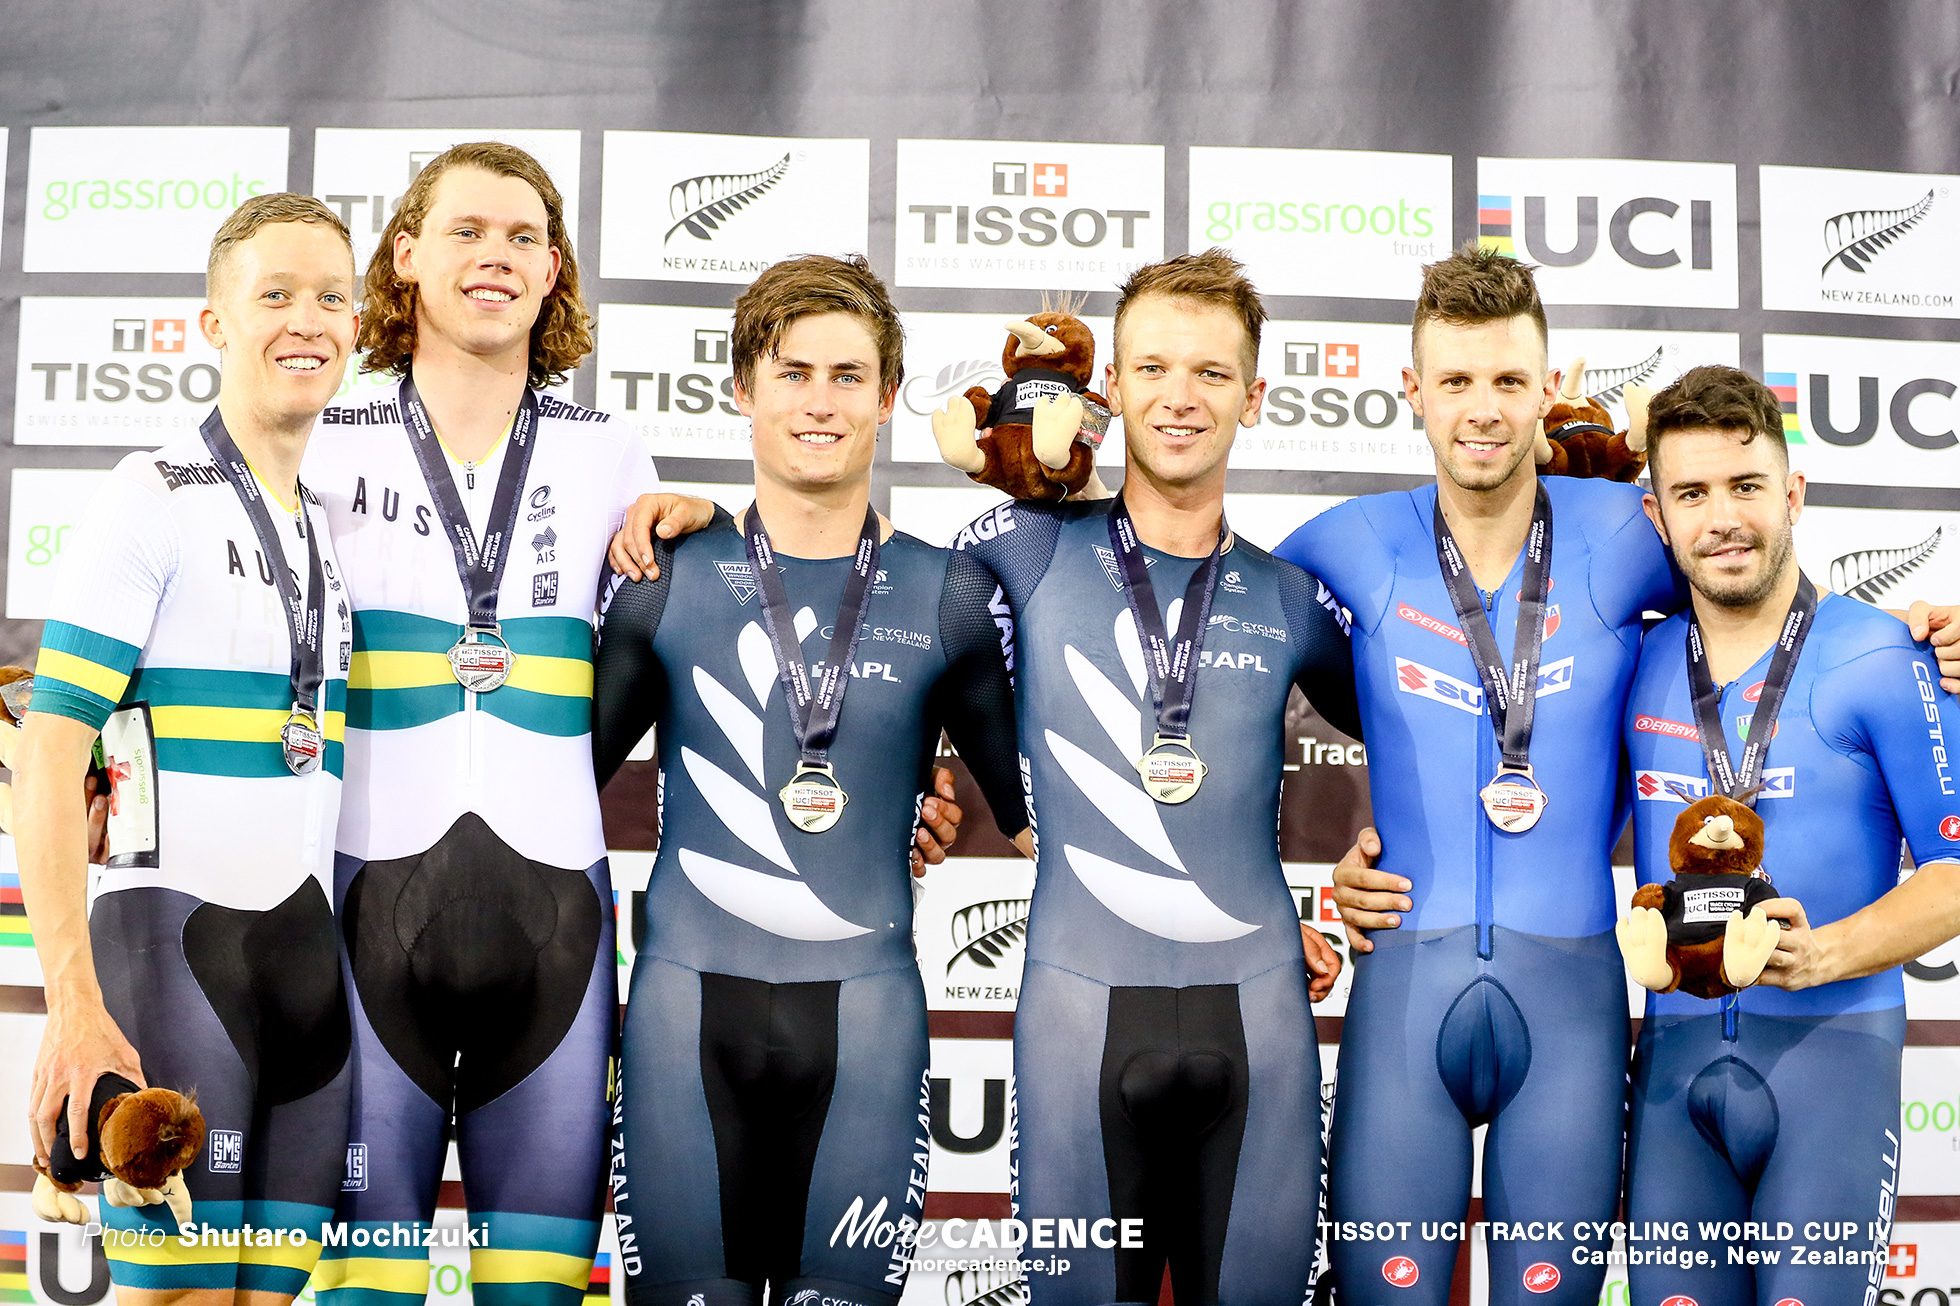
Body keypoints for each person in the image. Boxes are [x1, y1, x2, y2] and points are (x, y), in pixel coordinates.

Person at [301, 142, 710, 1306]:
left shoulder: (612, 452)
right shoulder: (325, 440)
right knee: (361, 1294)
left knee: (534, 1295)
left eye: (525, 236)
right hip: (365, 918)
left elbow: (734, 637)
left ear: (554, 272)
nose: (497, 255)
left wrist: (710, 521)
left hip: (557, 934)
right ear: (407, 256)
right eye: (468, 230)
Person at [591, 252, 1032, 1306]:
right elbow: (543, 786)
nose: (819, 402)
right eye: (792, 373)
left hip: (869, 1022)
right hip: (682, 1021)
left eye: (847, 375)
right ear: (742, 389)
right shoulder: (665, 580)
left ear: (888, 397)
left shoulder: (951, 593)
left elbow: (1038, 825)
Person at [945, 250, 1356, 1305]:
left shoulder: (1293, 597)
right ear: (1110, 388)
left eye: (1213, 374)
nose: (1180, 398)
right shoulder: (1018, 550)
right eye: (1155, 369)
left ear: (1254, 398)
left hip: (1258, 1014)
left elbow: (1429, 747)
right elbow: (878, 637)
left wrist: (1367, 865)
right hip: (1079, 1018)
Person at [1276, 244, 1680, 1303]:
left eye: (1508, 380)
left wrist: (1926, 629)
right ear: (1412, 390)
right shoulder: (1345, 541)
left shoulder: (1628, 535)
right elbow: (1181, 650)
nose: (1483, 409)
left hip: (1575, 999)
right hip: (1406, 984)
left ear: (1549, 389)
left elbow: (1774, 599)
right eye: (1454, 380)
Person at [19, 192, 361, 1304]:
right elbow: (50, 750)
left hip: (309, 978)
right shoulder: (148, 497)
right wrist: (72, 1001)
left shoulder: (329, 533)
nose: (306, 320)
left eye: (330, 297)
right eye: (274, 295)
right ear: (213, 324)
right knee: (176, 1299)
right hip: (168, 961)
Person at [1618, 364, 1960, 1305]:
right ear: (1657, 516)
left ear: (1794, 493)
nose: (1721, 517)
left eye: (1746, 485)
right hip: (1674, 1073)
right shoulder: (1636, 660)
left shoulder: (1888, 657)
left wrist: (1829, 954)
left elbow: (1956, 872)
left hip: (1832, 1065)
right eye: (1691, 492)